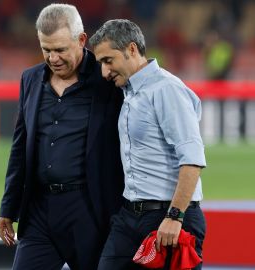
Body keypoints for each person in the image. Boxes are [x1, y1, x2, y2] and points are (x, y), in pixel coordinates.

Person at [0, 4, 124, 270]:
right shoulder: (30, 79)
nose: (53, 58)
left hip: (88, 210)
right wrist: (8, 208)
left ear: (81, 40)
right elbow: (20, 148)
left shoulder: (107, 81)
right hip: (39, 211)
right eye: (46, 49)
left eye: (60, 50)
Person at [89, 19, 207, 270]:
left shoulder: (167, 90)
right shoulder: (129, 91)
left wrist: (174, 217)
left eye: (108, 61)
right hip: (130, 216)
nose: (105, 72)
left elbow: (192, 159)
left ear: (132, 50)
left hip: (169, 217)